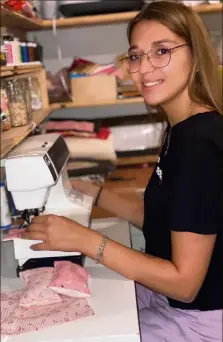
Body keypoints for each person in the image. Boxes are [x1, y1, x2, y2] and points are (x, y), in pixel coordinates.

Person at [24, 1, 223, 341]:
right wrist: (93, 191)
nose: (144, 68)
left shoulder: (199, 144)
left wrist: (83, 239)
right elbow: (167, 218)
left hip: (199, 318)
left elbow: (185, 284)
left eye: (162, 51)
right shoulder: (182, 127)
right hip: (175, 299)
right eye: (135, 55)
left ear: (195, 52)